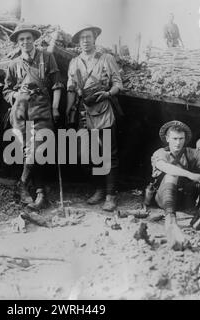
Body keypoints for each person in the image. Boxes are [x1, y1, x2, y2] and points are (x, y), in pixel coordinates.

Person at [3, 24, 63, 211]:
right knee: (28, 151)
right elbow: (6, 90)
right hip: (20, 112)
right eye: (21, 39)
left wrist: (54, 107)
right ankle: (39, 190)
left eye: (28, 38)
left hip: (42, 110)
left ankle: (21, 184)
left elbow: (57, 85)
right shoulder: (14, 64)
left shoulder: (46, 57)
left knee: (38, 148)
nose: (25, 42)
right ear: (18, 42)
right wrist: (17, 95)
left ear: (34, 39)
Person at [66, 25, 123, 212]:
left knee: (107, 153)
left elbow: (118, 83)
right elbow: (71, 88)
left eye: (88, 37)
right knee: (88, 154)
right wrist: (69, 109)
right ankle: (99, 189)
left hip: (104, 110)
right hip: (84, 112)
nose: (85, 40)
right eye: (81, 38)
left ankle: (110, 194)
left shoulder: (106, 59)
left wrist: (107, 94)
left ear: (95, 38)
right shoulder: (74, 62)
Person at [151, 121, 200, 250]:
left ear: (185, 139)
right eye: (174, 139)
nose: (178, 142)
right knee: (172, 174)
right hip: (165, 198)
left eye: (181, 139)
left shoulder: (190, 152)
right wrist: (191, 175)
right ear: (167, 139)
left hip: (186, 199)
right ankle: (170, 219)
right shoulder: (160, 153)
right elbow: (164, 166)